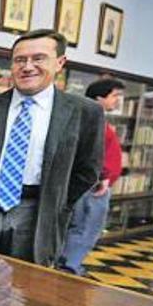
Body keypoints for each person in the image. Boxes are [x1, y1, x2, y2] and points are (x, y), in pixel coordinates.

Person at [0, 29, 105, 266]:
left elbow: (87, 170)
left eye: (38, 58)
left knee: (26, 289)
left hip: (39, 212)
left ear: (59, 63)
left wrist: (58, 203)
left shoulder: (85, 112)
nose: (27, 66)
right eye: (20, 60)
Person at [58, 78, 125, 274]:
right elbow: (91, 153)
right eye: (114, 96)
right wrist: (103, 177)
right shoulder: (92, 121)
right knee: (87, 226)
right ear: (99, 98)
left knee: (80, 225)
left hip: (93, 182)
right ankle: (70, 266)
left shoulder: (92, 119)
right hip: (94, 185)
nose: (117, 101)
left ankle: (69, 263)